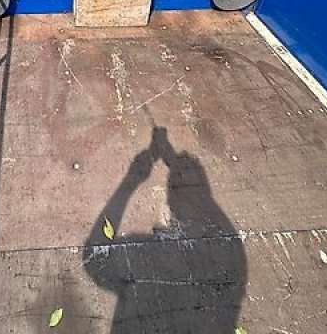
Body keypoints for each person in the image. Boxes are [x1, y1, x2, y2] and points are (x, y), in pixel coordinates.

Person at [83, 126, 247, 333]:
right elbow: (208, 209)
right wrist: (175, 165)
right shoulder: (227, 251)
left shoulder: (151, 255)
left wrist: (131, 180)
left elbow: (95, 256)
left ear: (170, 201)